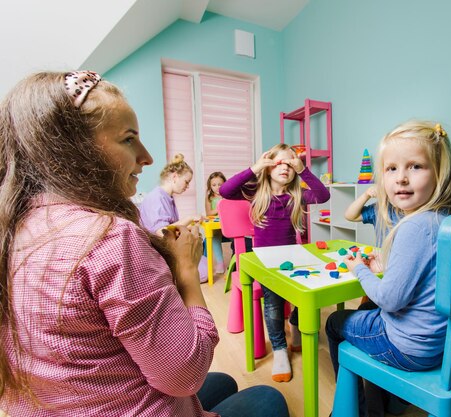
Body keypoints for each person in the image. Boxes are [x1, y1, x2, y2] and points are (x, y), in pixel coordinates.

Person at [0, 70, 289, 417]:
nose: (147, 157)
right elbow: (186, 376)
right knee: (267, 398)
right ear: (73, 149)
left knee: (224, 381)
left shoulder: (13, 229)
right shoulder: (108, 237)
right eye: (128, 139)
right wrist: (184, 272)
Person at [326, 120, 451, 417]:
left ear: (440, 172)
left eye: (415, 166)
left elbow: (389, 300)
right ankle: (392, 401)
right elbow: (428, 275)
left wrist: (359, 270)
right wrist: (388, 266)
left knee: (335, 322)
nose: (401, 178)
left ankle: (358, 411)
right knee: (365, 314)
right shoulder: (447, 219)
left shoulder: (414, 225)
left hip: (410, 348)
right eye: (391, 169)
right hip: (445, 343)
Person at [220, 143, 330, 382]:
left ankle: (295, 322)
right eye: (279, 162)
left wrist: (304, 171)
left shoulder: (296, 195)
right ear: (268, 168)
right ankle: (280, 349)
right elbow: (226, 191)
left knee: (311, 287)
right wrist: (255, 167)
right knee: (272, 303)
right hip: (265, 262)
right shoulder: (257, 192)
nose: (285, 167)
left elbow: (324, 195)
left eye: (290, 164)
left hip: (292, 257)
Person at [139, 154, 209, 282]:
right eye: (186, 182)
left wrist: (191, 225)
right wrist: (189, 218)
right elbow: (162, 232)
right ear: (175, 176)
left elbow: (173, 226)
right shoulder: (156, 198)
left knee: (207, 264)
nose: (187, 186)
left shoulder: (167, 198)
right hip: (158, 253)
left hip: (169, 248)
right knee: (205, 272)